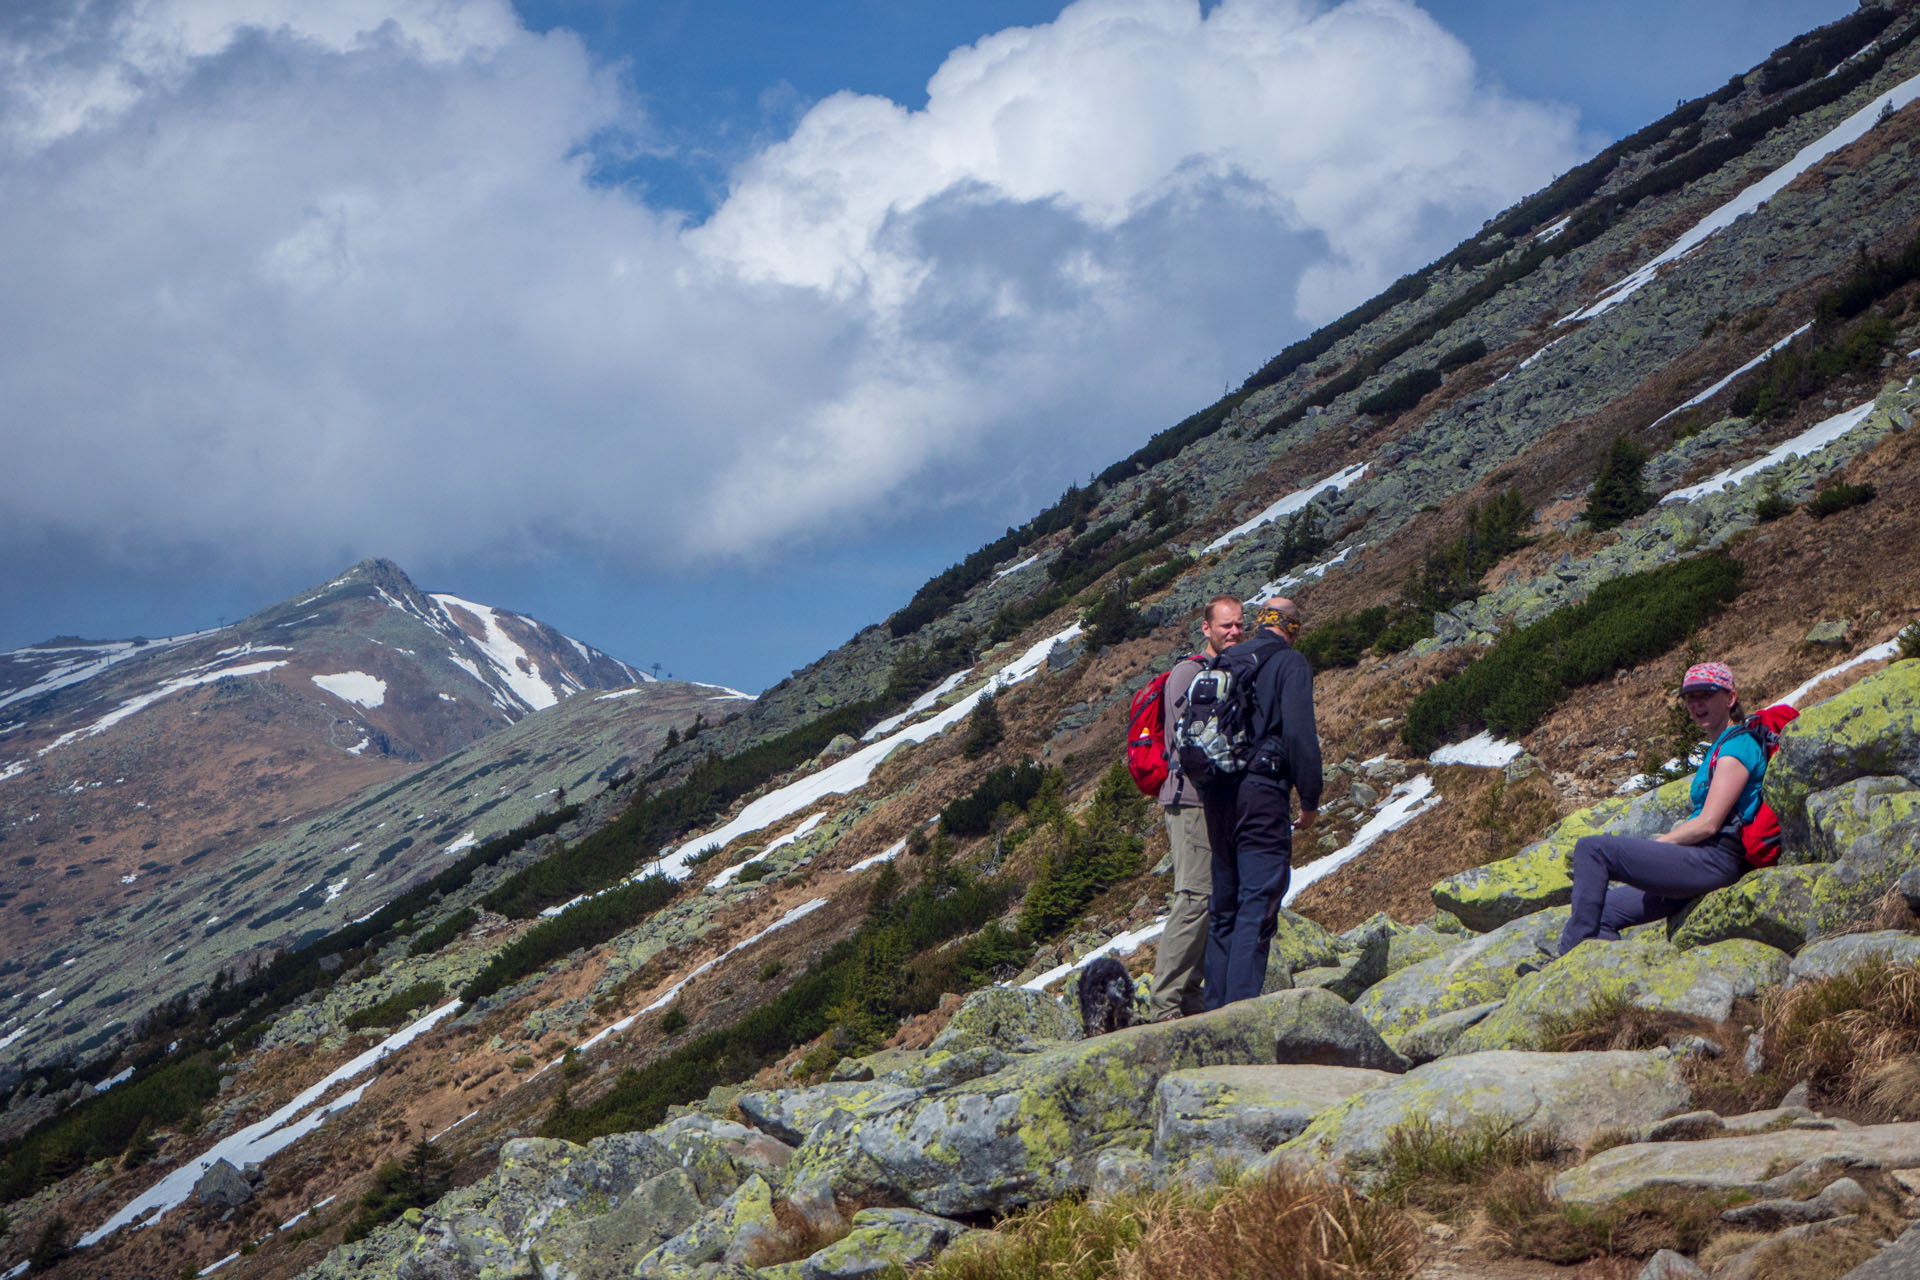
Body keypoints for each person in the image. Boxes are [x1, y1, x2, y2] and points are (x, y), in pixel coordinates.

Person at [1557, 662, 1762, 956]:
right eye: (1690, 697)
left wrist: (1663, 843)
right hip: (1699, 861)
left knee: (1592, 849)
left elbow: (1709, 824)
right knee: (1600, 913)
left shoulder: (1736, 748)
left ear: (1730, 698)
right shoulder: (1719, 747)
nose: (1696, 703)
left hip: (1716, 860)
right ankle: (1606, 980)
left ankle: (1566, 965)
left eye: (1706, 694)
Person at [1200, 597, 1322, 1008]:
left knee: (1225, 908)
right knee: (1258, 900)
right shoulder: (1291, 663)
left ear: (1260, 623)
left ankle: (1213, 1009)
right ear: (1292, 628)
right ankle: (1239, 1016)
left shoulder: (1229, 658)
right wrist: (1310, 799)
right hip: (1262, 794)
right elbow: (1300, 736)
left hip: (1217, 793)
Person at [1147, 595, 1244, 1021]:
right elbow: (1190, 742)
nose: (1234, 632)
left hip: (1211, 800)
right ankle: (1164, 1001)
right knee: (1194, 898)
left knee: (1212, 897)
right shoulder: (1189, 673)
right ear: (1206, 628)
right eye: (1225, 626)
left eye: (1239, 625)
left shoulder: (1223, 670)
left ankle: (1188, 996)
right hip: (1189, 800)